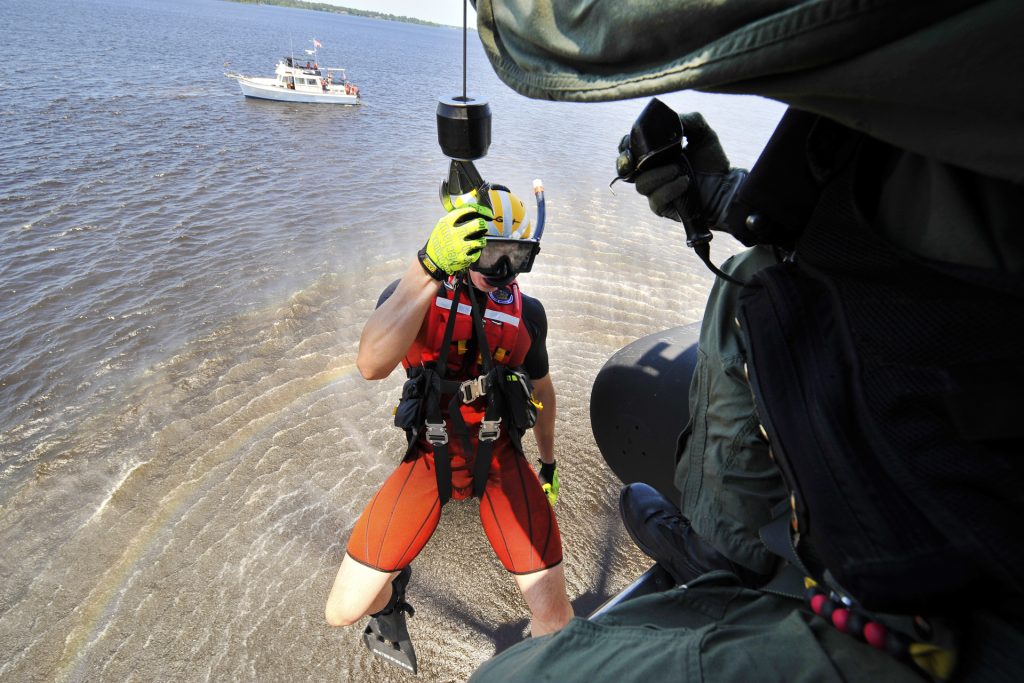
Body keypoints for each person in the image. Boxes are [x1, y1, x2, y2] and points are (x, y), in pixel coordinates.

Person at [466, 1, 1024, 681]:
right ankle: (721, 547)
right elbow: (925, 226)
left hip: (954, 607)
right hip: (929, 496)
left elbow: (571, 23)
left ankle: (765, 579)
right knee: (751, 276)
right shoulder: (959, 101)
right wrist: (722, 196)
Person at [325, 183, 574, 660]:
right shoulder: (415, 296)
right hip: (429, 455)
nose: (502, 272)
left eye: (515, 256)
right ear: (462, 249)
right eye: (490, 254)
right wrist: (426, 268)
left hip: (499, 455)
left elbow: (542, 391)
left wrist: (547, 464)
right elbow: (371, 365)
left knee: (557, 620)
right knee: (343, 609)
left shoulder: (529, 315)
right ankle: (392, 600)